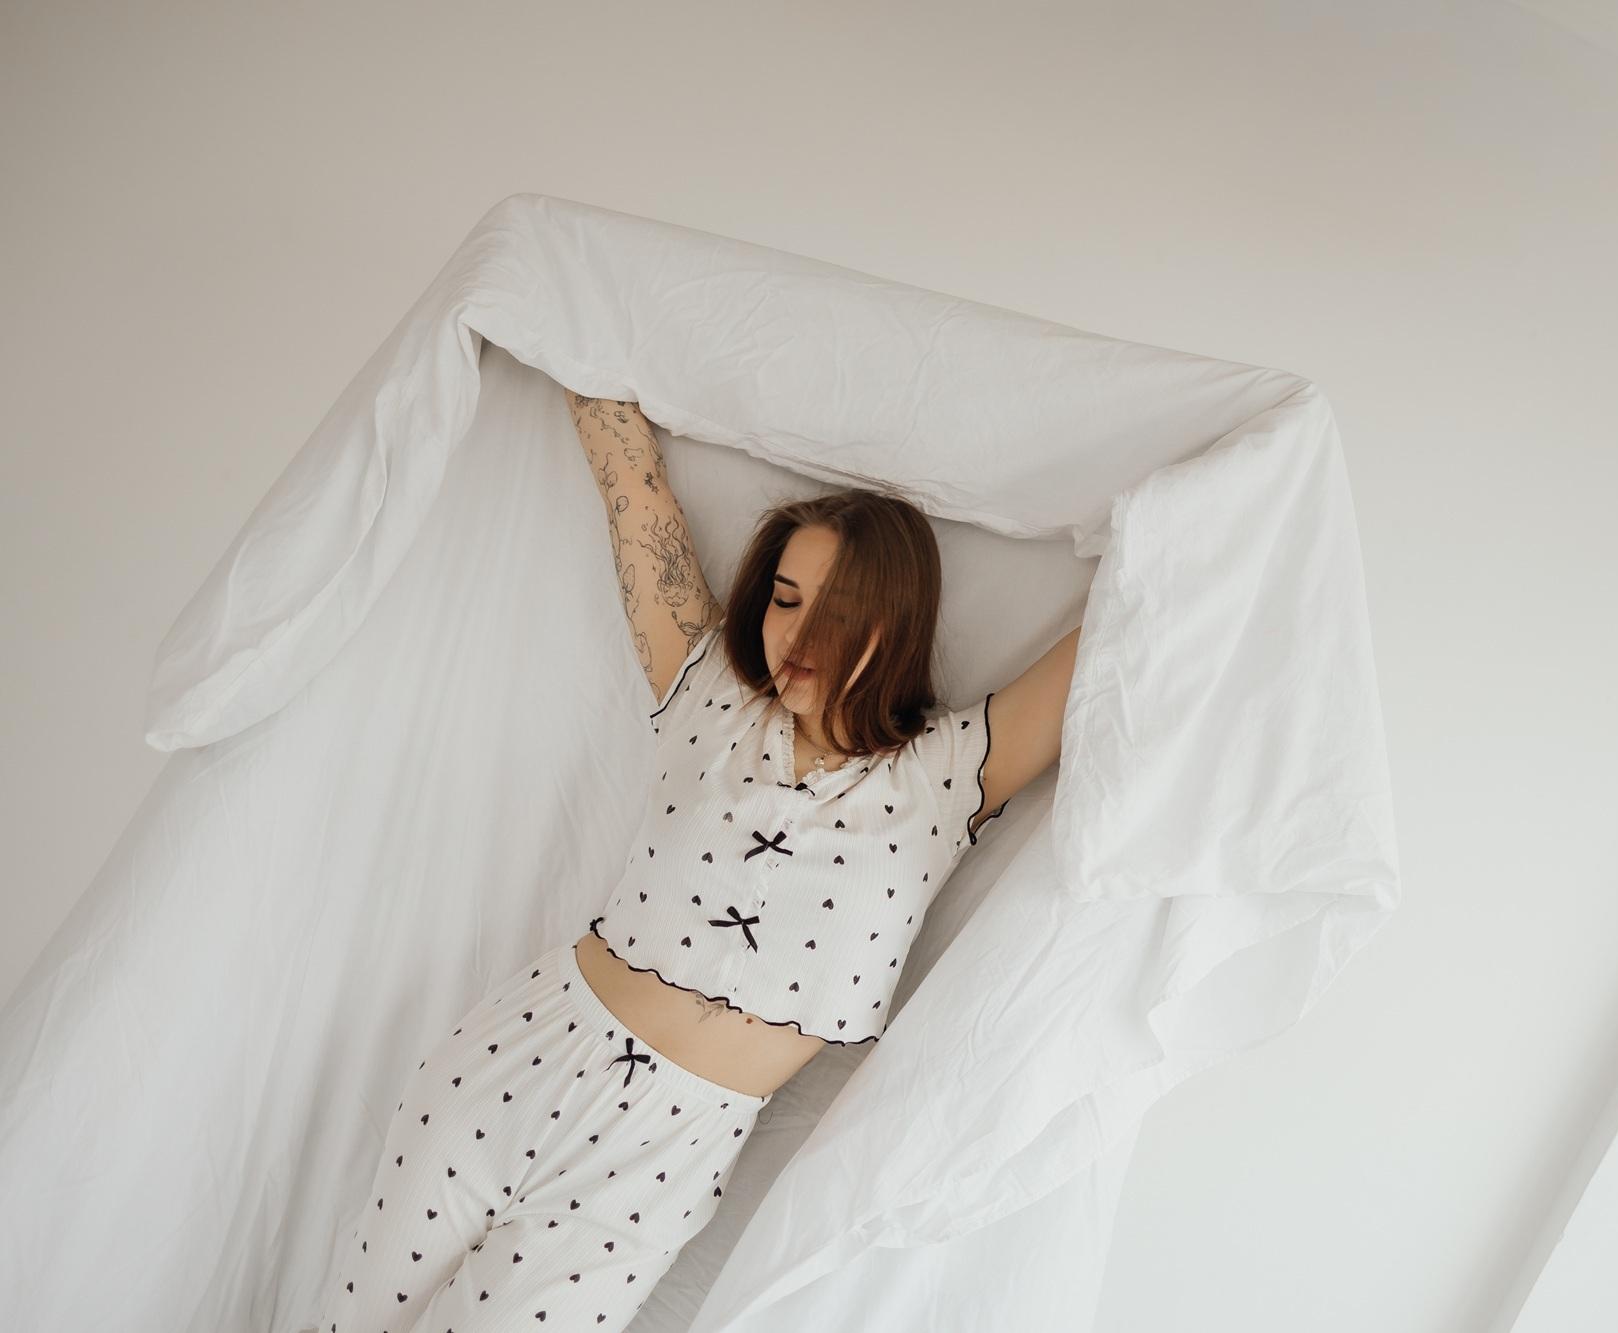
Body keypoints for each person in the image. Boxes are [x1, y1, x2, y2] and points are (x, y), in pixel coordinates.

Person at [318, 391, 1080, 1332]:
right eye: (785, 599)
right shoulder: (705, 685)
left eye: (838, 612)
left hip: (658, 1166)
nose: (797, 635)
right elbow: (629, 480)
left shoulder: (950, 775)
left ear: (898, 621)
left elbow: (1126, 626)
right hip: (510, 1069)